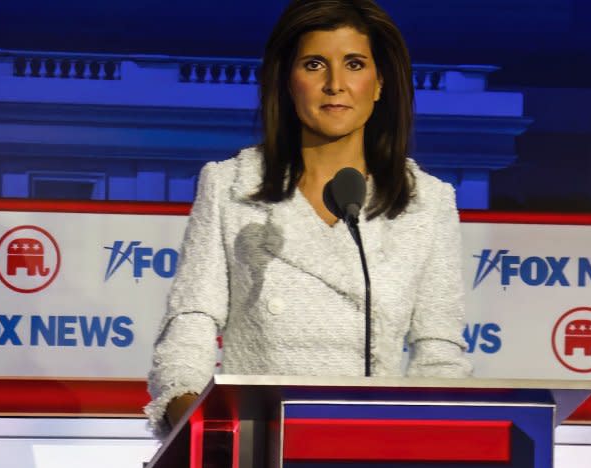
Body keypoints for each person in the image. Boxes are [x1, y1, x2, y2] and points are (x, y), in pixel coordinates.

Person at [145, 0, 472, 438]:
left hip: (374, 447)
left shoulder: (426, 202)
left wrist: (438, 435)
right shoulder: (229, 186)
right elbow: (191, 325)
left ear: (379, 84)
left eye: (354, 64)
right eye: (315, 64)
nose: (335, 84)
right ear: (286, 81)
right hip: (255, 446)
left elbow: (439, 352)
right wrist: (191, 416)